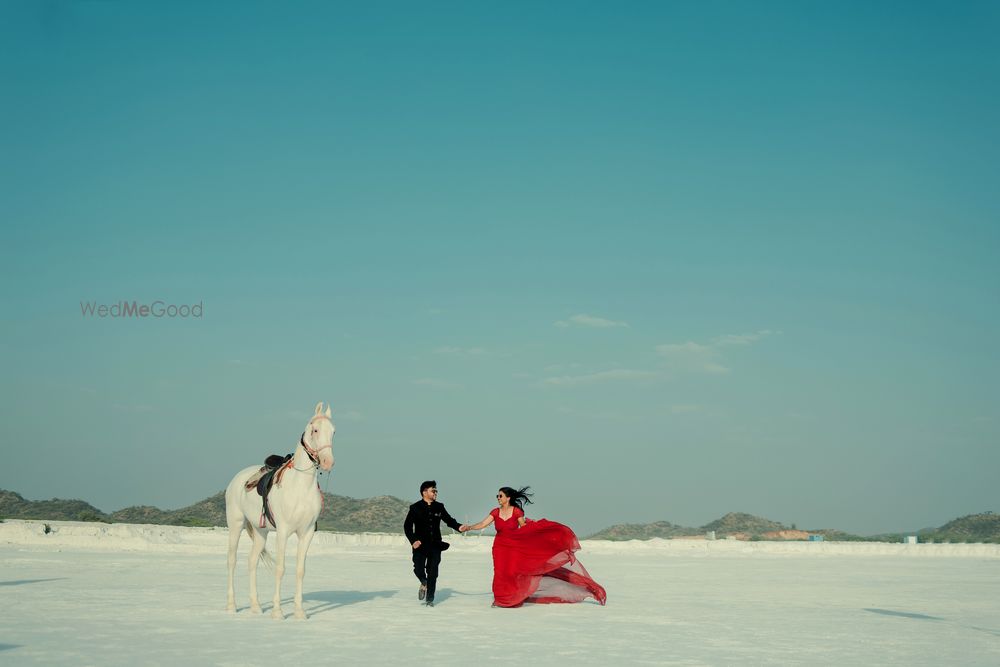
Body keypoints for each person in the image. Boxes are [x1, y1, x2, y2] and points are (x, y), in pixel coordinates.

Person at [463, 486, 607, 608]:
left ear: (508, 498)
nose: (498, 498)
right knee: (500, 572)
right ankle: (500, 599)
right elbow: (482, 524)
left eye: (500, 495)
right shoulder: (495, 512)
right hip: (500, 546)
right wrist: (469, 527)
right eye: (497, 496)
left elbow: (524, 528)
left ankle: (514, 599)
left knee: (512, 572)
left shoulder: (517, 512)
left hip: (514, 546)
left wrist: (536, 529)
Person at [403, 480, 465, 607]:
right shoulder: (415, 508)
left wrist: (459, 527)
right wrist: (413, 540)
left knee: (433, 572)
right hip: (420, 545)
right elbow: (407, 527)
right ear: (424, 492)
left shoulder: (439, 506)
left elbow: (449, 520)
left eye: (436, 490)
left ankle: (430, 600)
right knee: (418, 568)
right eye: (433, 490)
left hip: (435, 545)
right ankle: (424, 582)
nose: (436, 492)